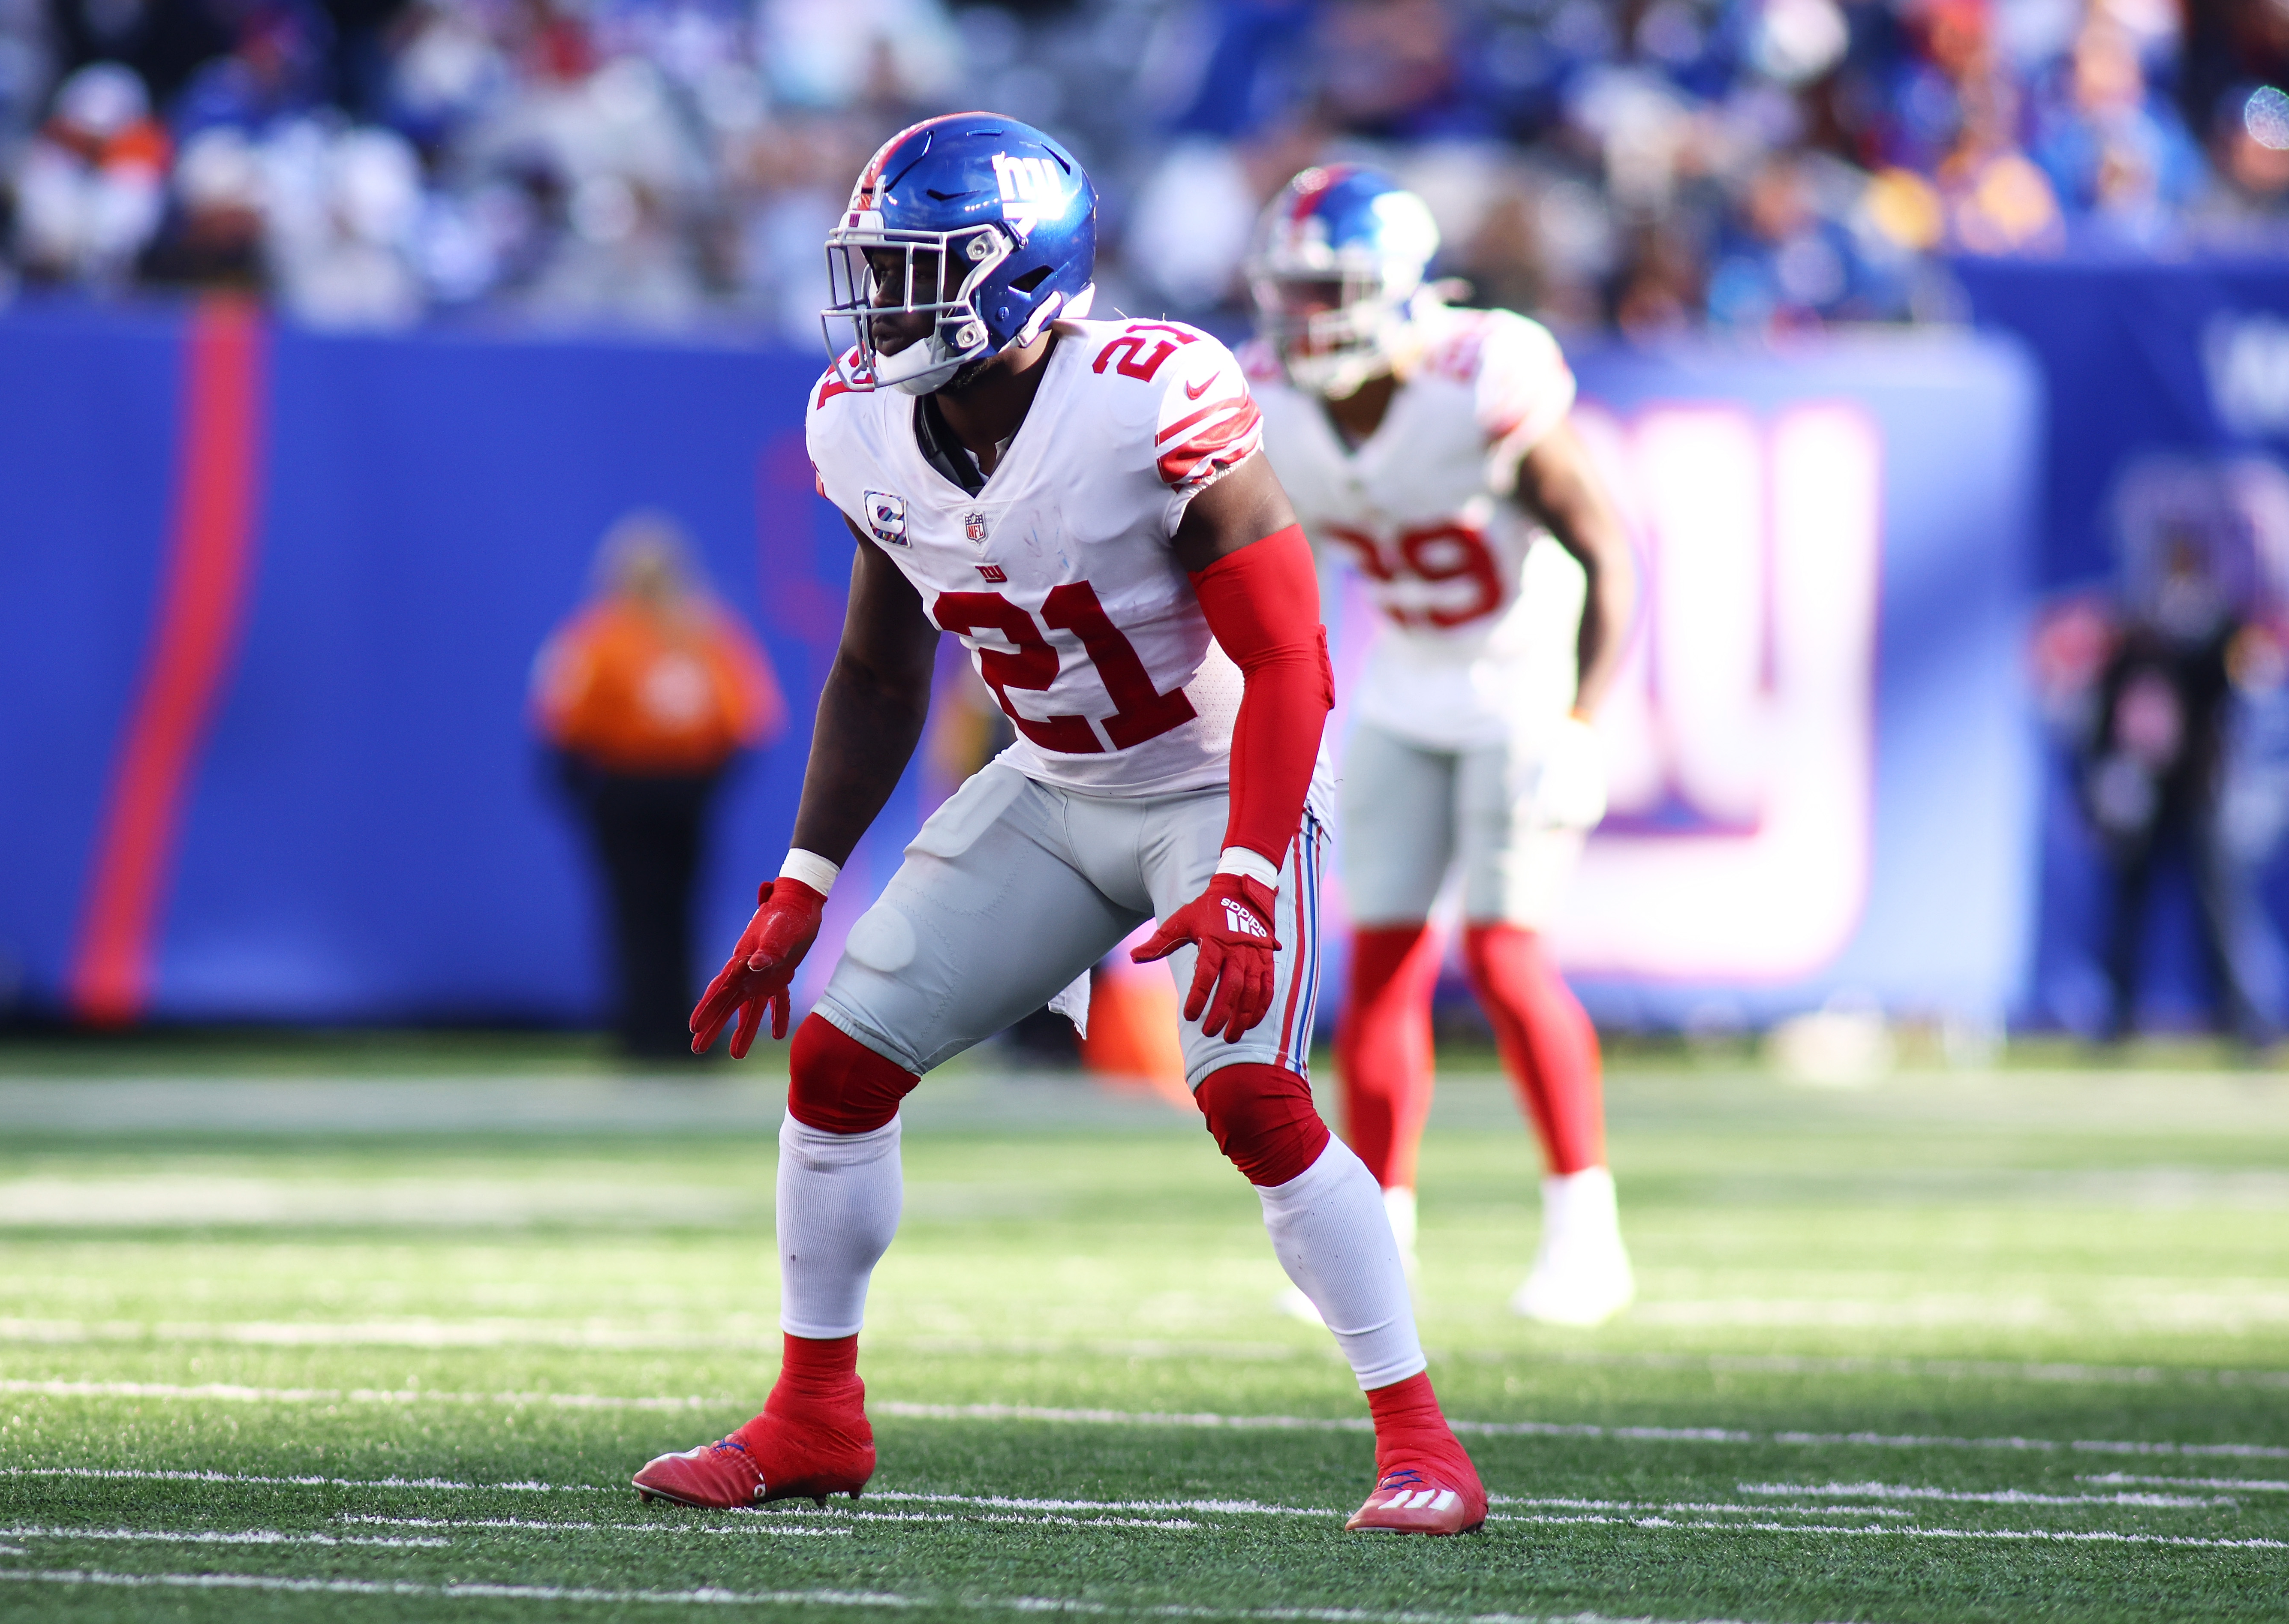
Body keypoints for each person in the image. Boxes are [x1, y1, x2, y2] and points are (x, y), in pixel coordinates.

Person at [628, 112, 1485, 1536]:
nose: (881, 301)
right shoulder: (855, 417)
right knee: (836, 1068)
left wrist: (1251, 868)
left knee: (1251, 1100)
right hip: (1054, 779)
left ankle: (1420, 1442)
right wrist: (800, 878)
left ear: (1017, 276)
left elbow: (1288, 658)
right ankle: (811, 1416)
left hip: (1217, 778)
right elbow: (876, 663)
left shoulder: (1150, 394)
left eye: (917, 270)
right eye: (876, 269)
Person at [1241, 165, 1638, 1326]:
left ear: (1395, 292)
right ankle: (1375, 1243)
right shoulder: (1270, 397)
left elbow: (1603, 549)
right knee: (1378, 975)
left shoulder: (1481, 376)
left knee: (1508, 959)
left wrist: (1578, 719)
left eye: (1329, 291)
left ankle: (1584, 1230)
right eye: (1290, 291)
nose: (1303, 317)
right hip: (1406, 689)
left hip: (1518, 684)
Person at [533, 514, 783, 1060]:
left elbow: (562, 719)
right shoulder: (637, 635)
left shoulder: (660, 635)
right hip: (646, 788)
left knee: (655, 909)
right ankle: (654, 1025)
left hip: (660, 789)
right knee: (650, 909)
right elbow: (565, 722)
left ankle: (662, 1028)